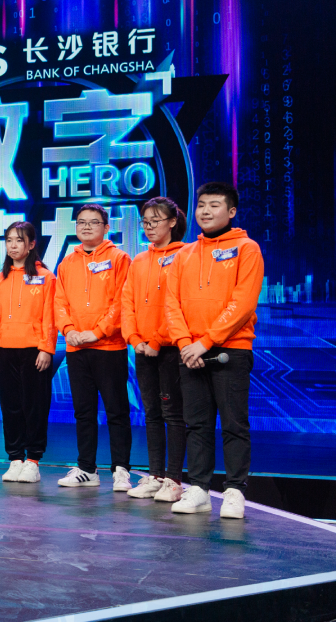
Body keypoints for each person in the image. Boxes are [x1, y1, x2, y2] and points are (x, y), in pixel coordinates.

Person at [165, 182, 263, 519]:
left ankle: (235, 490)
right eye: (201, 205)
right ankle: (199, 489)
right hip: (189, 352)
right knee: (197, 424)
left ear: (231, 211)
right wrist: (184, 343)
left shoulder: (247, 249)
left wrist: (205, 342)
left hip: (229, 350)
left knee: (234, 424)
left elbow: (243, 303)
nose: (205, 211)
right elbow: (171, 303)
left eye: (215, 205)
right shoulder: (184, 254)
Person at [53, 203, 134, 491]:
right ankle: (87, 468)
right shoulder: (67, 263)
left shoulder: (120, 258)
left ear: (106, 227)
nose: (86, 226)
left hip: (110, 347)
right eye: (81, 222)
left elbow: (122, 301)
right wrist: (69, 330)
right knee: (83, 412)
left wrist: (97, 333)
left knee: (116, 411)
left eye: (93, 222)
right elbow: (59, 302)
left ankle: (121, 470)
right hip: (76, 349)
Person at [121, 198, 188, 502]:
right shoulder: (139, 260)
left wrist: (158, 340)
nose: (149, 227)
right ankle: (156, 474)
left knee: (173, 414)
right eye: (145, 222)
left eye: (155, 221)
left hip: (170, 348)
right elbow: (128, 304)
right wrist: (135, 339)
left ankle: (173, 479)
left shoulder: (185, 255)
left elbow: (179, 305)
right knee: (151, 413)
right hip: (142, 348)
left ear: (172, 222)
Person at [0, 221, 57, 484]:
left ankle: (33, 460)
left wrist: (46, 348)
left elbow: (50, 315)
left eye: (19, 240)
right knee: (11, 406)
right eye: (9, 240)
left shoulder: (46, 277)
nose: (13, 246)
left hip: (34, 351)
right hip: (5, 350)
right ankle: (15, 458)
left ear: (32, 244)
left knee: (35, 407)